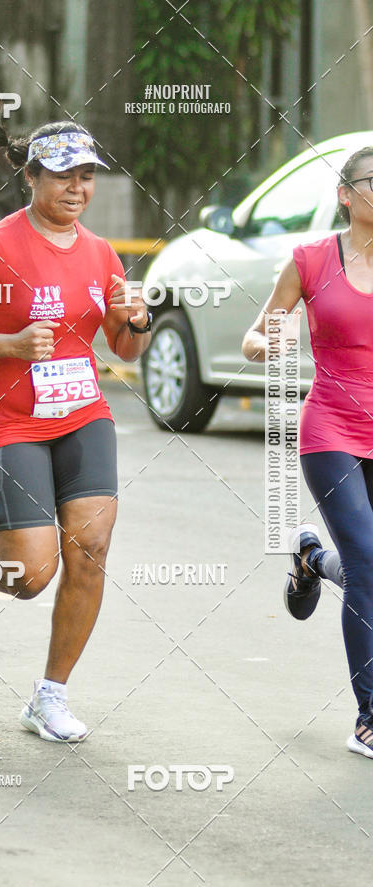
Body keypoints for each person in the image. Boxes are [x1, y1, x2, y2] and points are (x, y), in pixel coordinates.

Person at [0, 116, 152, 743]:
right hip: (11, 423)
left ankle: (48, 697)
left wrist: (136, 321)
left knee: (92, 550)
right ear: (30, 177)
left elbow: (125, 350)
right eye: (63, 175)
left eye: (86, 176)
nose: (77, 188)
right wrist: (11, 343)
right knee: (30, 577)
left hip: (83, 416)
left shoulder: (103, 254)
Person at [242, 146, 373, 759]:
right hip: (334, 432)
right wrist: (263, 342)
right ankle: (369, 717)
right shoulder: (311, 260)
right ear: (347, 194)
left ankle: (312, 559)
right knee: (370, 559)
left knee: (368, 568)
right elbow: (263, 326)